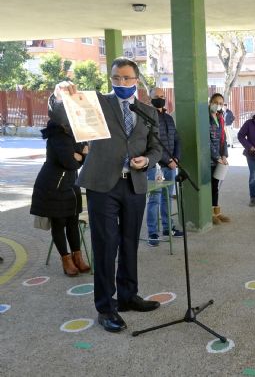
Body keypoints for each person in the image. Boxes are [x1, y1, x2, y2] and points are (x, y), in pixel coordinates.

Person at [53, 57, 163, 333]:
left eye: (127, 78)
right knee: (105, 245)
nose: (121, 83)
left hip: (134, 184)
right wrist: (59, 96)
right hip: (103, 185)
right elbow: (63, 113)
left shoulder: (148, 111)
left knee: (129, 243)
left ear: (136, 80)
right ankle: (106, 307)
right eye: (116, 78)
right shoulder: (97, 103)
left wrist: (147, 161)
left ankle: (128, 296)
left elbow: (156, 148)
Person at [30, 102, 90, 276]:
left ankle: (77, 257)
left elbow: (84, 151)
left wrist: (81, 154)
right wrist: (82, 155)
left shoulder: (72, 132)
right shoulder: (58, 134)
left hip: (70, 184)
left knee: (72, 222)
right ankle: (66, 260)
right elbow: (70, 162)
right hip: (53, 186)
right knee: (59, 223)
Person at [145, 87, 183, 246]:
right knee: (154, 199)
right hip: (155, 166)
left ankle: (168, 227)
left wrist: (176, 158)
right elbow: (152, 143)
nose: (160, 99)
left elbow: (176, 139)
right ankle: (152, 232)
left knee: (167, 197)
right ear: (150, 98)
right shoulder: (146, 118)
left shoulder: (168, 118)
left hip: (171, 165)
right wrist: (168, 160)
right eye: (156, 96)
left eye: (162, 96)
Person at [208, 93, 230, 223]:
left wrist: (223, 155)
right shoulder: (205, 117)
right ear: (210, 102)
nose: (218, 105)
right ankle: (210, 213)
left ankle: (217, 211)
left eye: (221, 103)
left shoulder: (220, 118)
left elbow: (223, 139)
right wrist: (217, 157)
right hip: (209, 159)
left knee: (215, 186)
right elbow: (207, 141)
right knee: (210, 186)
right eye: (216, 102)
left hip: (218, 159)